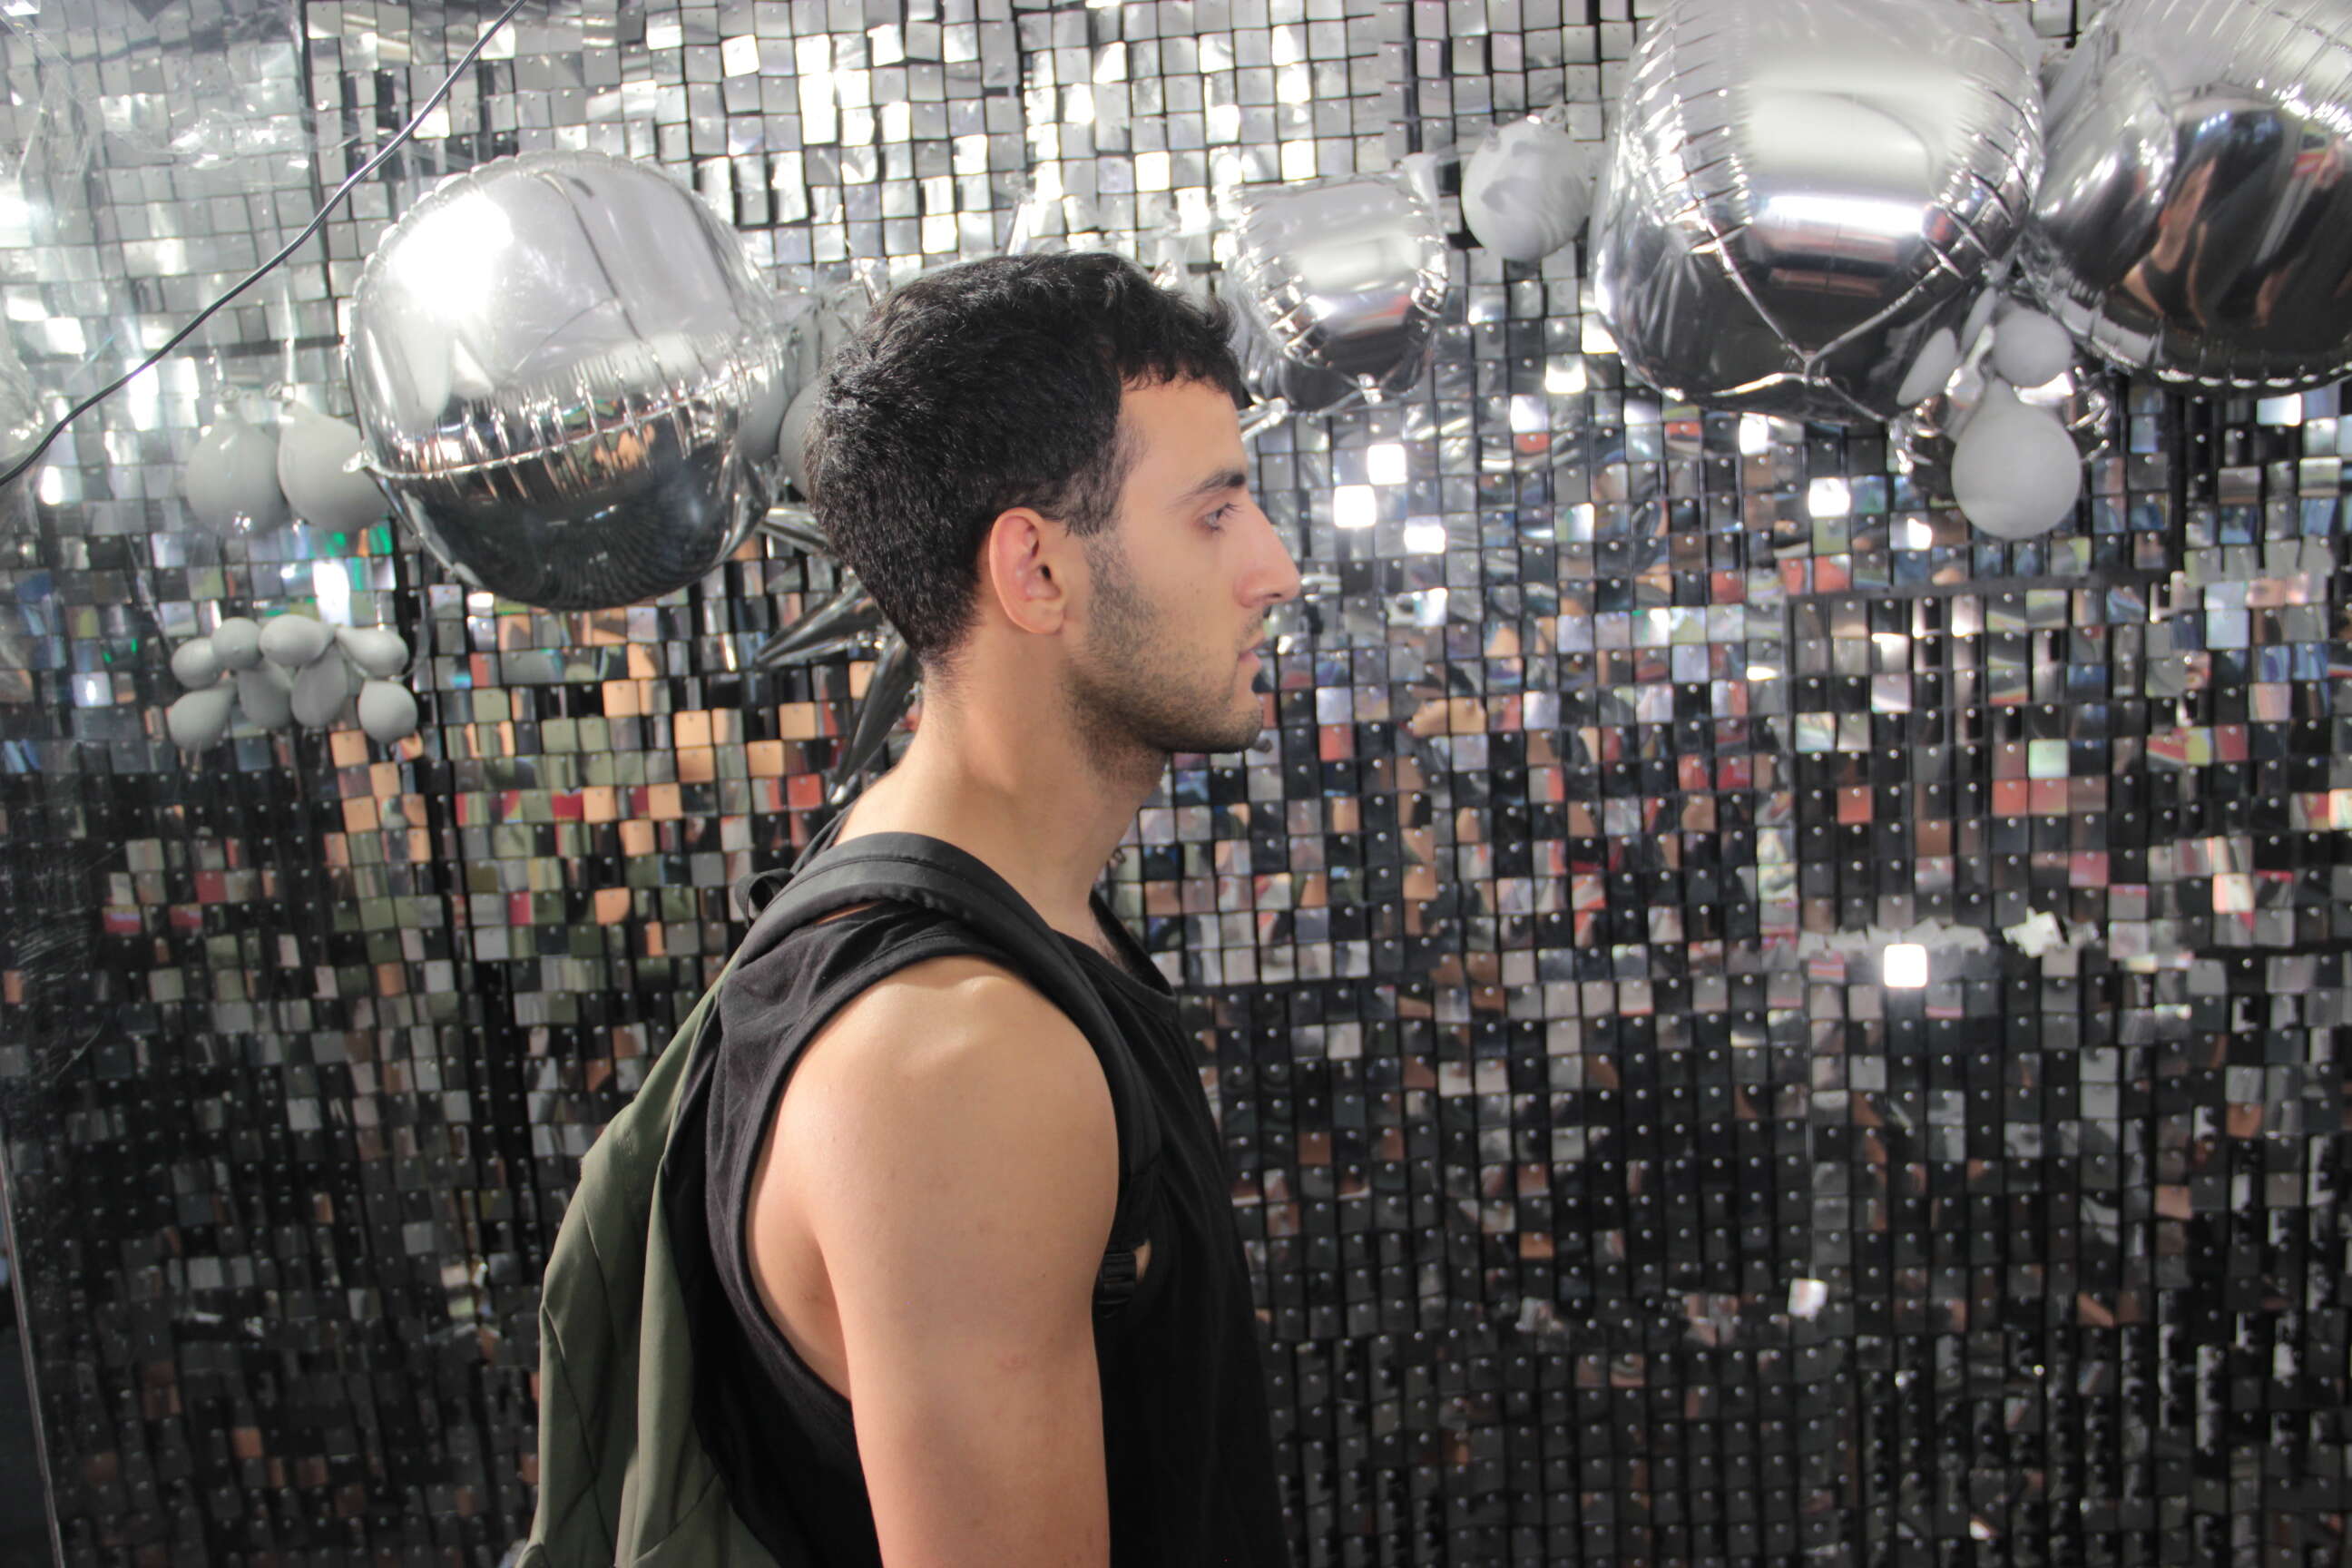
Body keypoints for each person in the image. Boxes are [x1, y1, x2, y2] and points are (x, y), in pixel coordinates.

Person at [676, 250, 1304, 1567]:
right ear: (1035, 571)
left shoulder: (977, 914)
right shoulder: (957, 1060)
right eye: (1216, 513)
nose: (1276, 569)